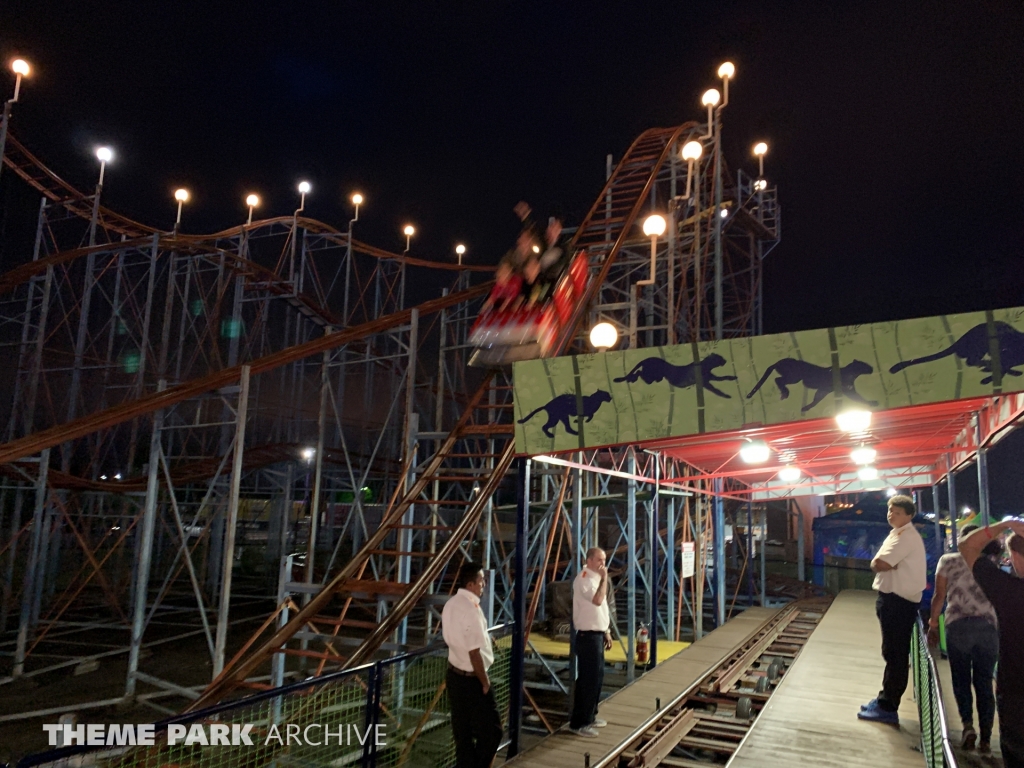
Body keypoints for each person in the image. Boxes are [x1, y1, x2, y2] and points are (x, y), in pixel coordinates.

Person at [928, 525, 1001, 751]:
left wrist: (933, 624)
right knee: (984, 681)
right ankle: (986, 738)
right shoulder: (990, 562)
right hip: (987, 627)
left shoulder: (947, 561)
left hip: (958, 625)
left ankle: (968, 726)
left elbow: (939, 595)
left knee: (960, 679)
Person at [958, 520, 1024, 768]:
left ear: (1015, 556)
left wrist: (1006, 524)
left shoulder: (1009, 591)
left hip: (1016, 693)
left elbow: (967, 546)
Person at [858, 494, 927, 725]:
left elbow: (879, 563)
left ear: (909, 515)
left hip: (899, 602)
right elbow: (881, 563)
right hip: (895, 600)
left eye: (897, 512)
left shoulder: (905, 537)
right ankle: (884, 699)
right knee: (892, 652)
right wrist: (881, 564)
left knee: (895, 653)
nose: (891, 515)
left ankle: (888, 706)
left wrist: (879, 563)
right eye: (890, 511)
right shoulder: (898, 534)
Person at [442, 562, 502, 768]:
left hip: (454, 675)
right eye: (480, 581)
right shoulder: (471, 610)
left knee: (463, 733)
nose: (483, 584)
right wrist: (485, 682)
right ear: (470, 584)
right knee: (493, 732)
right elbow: (474, 653)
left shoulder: (451, 604)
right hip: (472, 679)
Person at [569, 547, 613, 737]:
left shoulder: (596, 578)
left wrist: (606, 631)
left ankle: (591, 715)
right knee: (587, 680)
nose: (603, 564)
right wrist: (604, 578)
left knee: (597, 677)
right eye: (599, 560)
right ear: (589, 560)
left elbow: (602, 609)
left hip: (597, 634)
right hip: (587, 636)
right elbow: (598, 600)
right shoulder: (584, 579)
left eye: (604, 560)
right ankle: (580, 723)